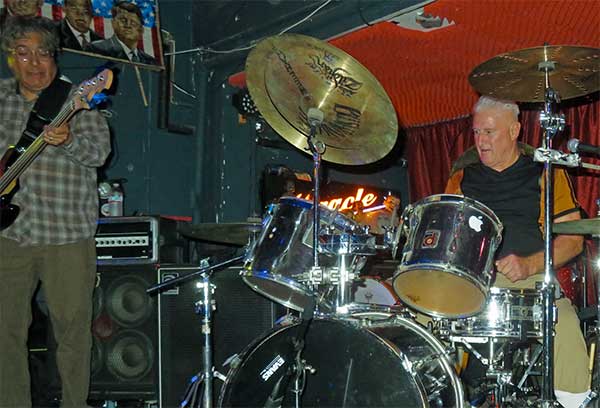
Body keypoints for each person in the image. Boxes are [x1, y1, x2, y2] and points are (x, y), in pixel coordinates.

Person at [445, 95, 589, 407]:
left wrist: (529, 264)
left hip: (529, 284)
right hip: (472, 284)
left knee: (562, 320)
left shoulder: (545, 173)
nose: (480, 141)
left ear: (515, 131)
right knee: (426, 316)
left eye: (490, 132)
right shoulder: (461, 178)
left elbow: (573, 240)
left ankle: (574, 401)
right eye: (476, 132)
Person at [0, 16, 111, 407]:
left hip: (67, 235)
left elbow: (99, 153)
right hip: (9, 236)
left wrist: (66, 140)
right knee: (4, 333)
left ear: (56, 58)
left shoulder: (79, 101)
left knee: (72, 333)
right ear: (10, 58)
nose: (35, 62)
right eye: (23, 53)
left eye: (43, 53)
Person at [85, 0, 156, 64]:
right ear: (113, 23)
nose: (128, 25)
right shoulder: (95, 49)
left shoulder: (149, 61)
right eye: (123, 20)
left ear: (141, 30)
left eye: (133, 23)